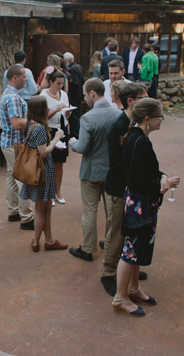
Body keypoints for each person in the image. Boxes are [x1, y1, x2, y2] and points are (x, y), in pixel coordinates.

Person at [113, 98, 179, 316]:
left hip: (138, 202)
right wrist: (164, 185)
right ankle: (120, 297)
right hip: (139, 204)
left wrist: (161, 176)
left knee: (137, 247)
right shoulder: (140, 142)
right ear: (148, 119)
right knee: (130, 250)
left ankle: (133, 288)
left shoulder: (136, 137)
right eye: (160, 116)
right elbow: (138, 180)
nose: (162, 120)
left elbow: (144, 172)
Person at [101, 84, 148, 296]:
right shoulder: (118, 126)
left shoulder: (135, 123)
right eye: (143, 98)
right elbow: (117, 164)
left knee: (127, 231)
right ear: (131, 101)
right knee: (116, 232)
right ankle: (108, 274)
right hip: (117, 189)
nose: (147, 102)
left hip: (127, 187)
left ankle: (126, 266)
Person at [68, 79, 121, 262]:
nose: (84, 98)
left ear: (92, 93)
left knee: (90, 211)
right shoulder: (117, 114)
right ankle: (109, 243)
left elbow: (82, 147)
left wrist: (72, 142)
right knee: (111, 212)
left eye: (84, 94)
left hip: (91, 172)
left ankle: (87, 248)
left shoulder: (88, 118)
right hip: (111, 172)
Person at [19, 96, 67, 253]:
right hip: (43, 172)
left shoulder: (30, 125)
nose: (48, 109)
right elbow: (44, 153)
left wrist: (53, 145)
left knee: (46, 208)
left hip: (37, 170)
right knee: (41, 209)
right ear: (41, 109)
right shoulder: (39, 128)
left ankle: (49, 240)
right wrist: (56, 139)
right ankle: (36, 241)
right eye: (46, 107)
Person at [0, 65, 35, 230]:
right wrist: (35, 121)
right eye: (24, 76)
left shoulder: (9, 94)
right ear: (15, 78)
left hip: (8, 143)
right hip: (15, 144)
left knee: (11, 177)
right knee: (23, 179)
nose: (26, 79)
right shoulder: (13, 97)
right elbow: (16, 124)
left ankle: (13, 211)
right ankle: (27, 218)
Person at [41, 69, 71, 204]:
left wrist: (68, 112)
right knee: (49, 163)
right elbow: (42, 118)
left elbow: (67, 115)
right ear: (51, 82)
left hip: (62, 129)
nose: (60, 86)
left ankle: (58, 191)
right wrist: (56, 110)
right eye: (58, 83)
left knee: (60, 163)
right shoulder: (43, 95)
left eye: (62, 83)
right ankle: (49, 192)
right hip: (50, 130)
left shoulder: (64, 94)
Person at [63, 52, 84, 139]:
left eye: (64, 61)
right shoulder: (78, 66)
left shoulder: (72, 69)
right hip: (78, 95)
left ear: (69, 60)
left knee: (74, 117)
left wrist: (67, 84)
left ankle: (75, 134)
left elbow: (75, 83)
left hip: (74, 96)